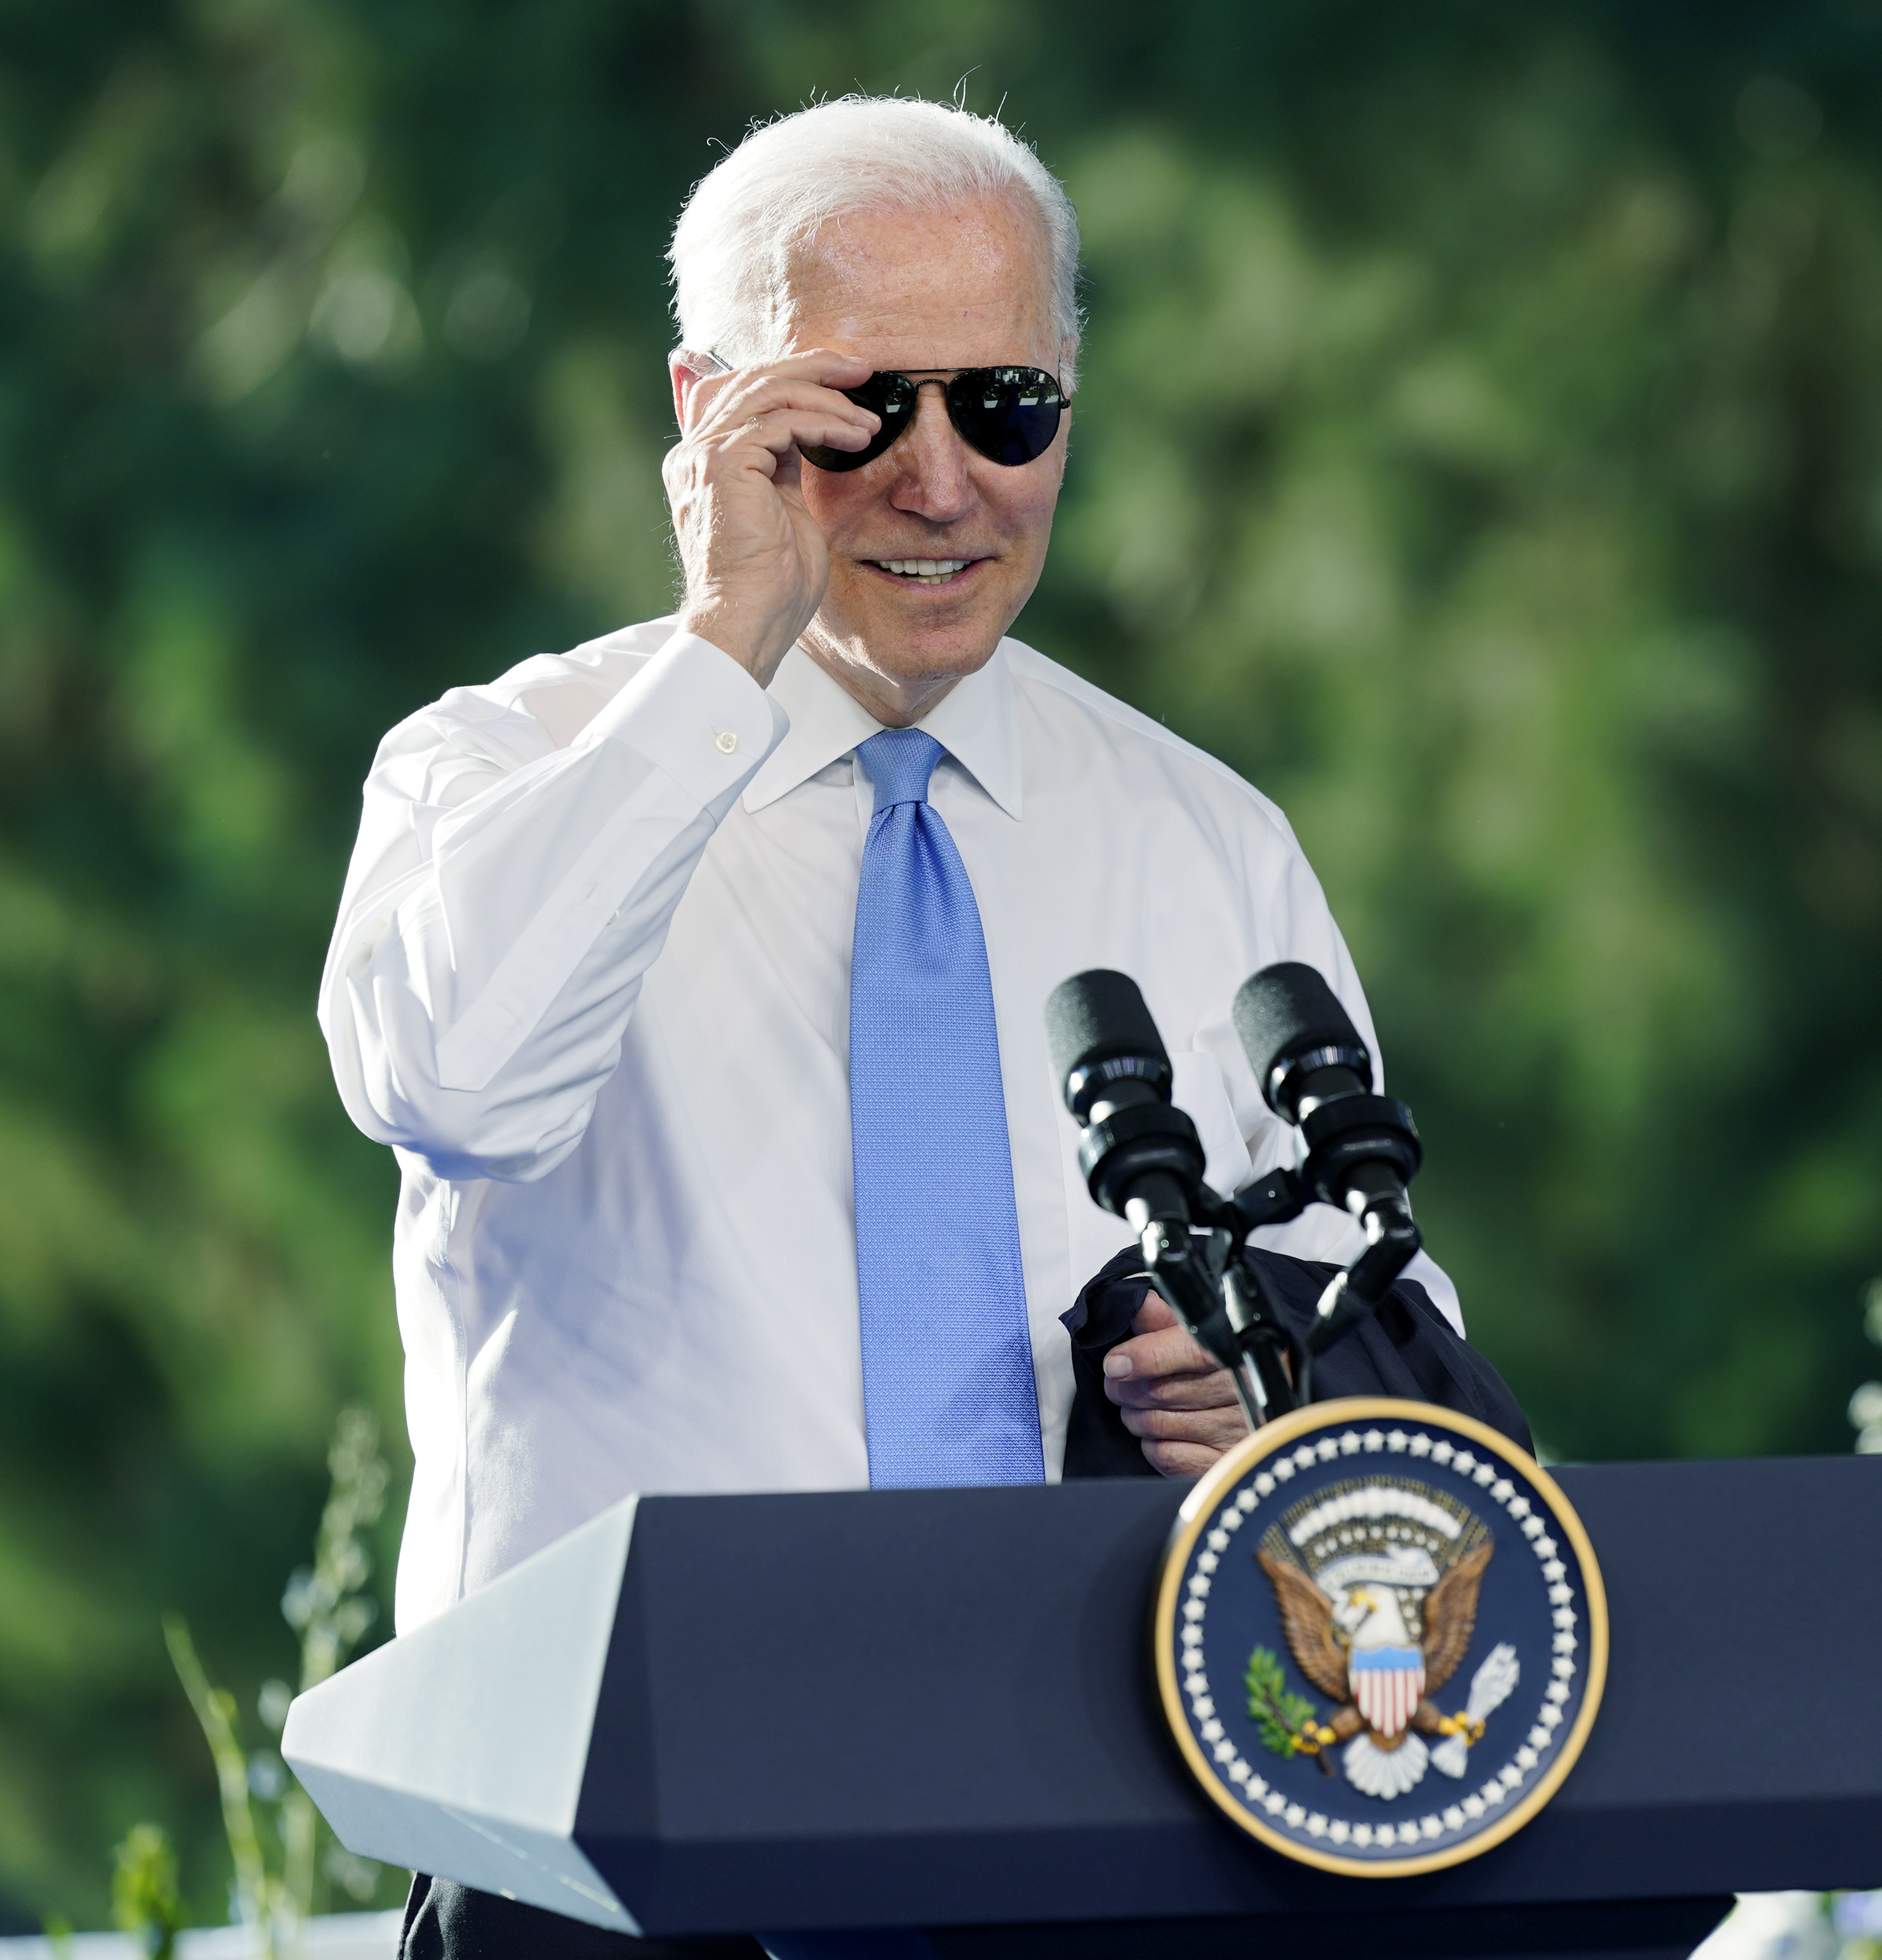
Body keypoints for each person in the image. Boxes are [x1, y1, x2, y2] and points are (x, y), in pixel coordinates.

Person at [319, 95, 1497, 1958]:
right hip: (622, 1852)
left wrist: (1258, 1398)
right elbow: (451, 1080)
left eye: (1005, 407)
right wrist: (726, 643)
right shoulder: (507, 767)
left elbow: (1387, 1352)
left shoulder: (1205, 838)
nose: (940, 480)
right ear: (710, 415)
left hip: (1116, 1837)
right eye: (862, 409)